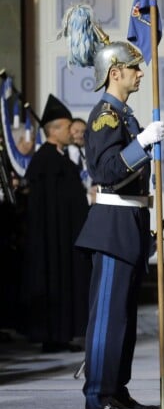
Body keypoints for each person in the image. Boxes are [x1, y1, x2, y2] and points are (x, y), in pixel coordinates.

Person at [61, 5, 164, 409]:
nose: (140, 73)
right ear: (114, 73)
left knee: (122, 317)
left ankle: (117, 390)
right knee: (106, 316)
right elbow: (103, 170)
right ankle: (98, 395)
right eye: (134, 68)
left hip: (130, 221)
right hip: (112, 223)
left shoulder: (125, 114)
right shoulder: (105, 117)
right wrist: (140, 145)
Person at [23, 94, 91, 352]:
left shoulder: (60, 157)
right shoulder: (46, 160)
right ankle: (52, 336)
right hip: (52, 237)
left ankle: (62, 335)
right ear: (53, 130)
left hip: (65, 234)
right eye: (65, 127)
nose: (70, 131)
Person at [67, 117, 96, 204]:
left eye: (83, 131)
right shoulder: (62, 156)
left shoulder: (93, 154)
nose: (80, 135)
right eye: (76, 131)